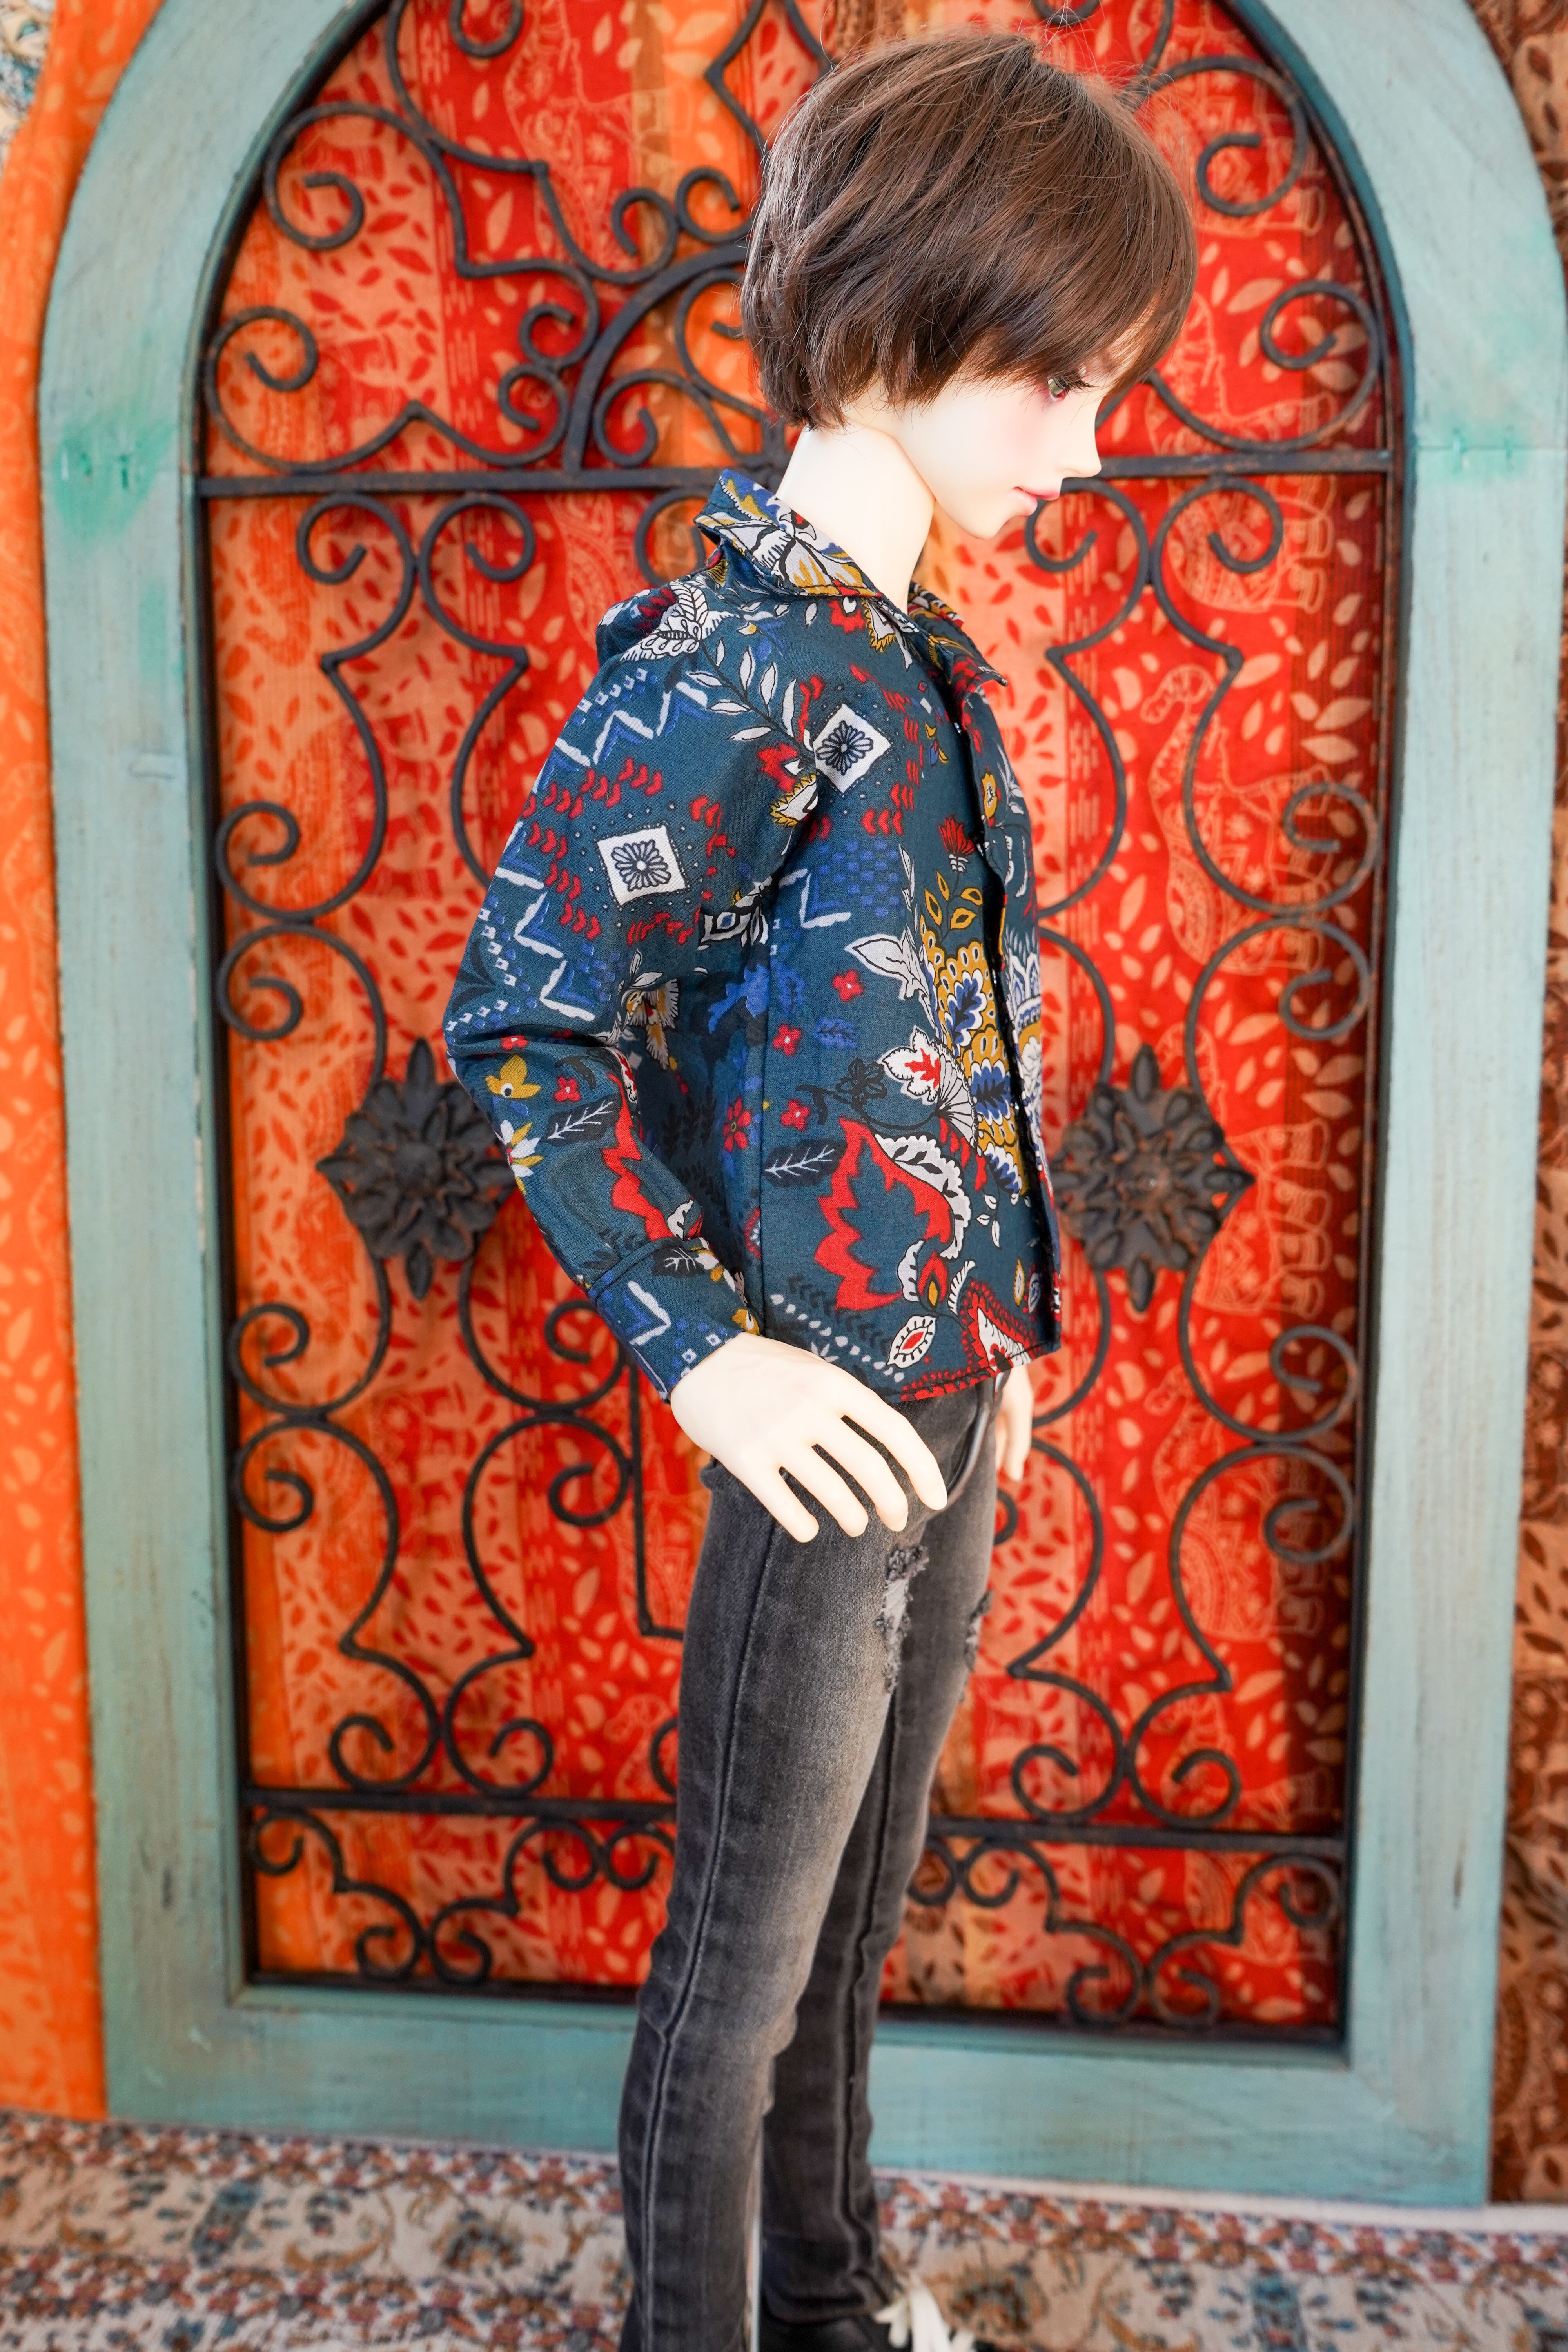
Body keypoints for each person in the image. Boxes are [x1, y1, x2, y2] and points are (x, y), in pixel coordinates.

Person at [444, 28, 1195, 2350]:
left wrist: (1001, 1322)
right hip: (818, 1424)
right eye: (1061, 382)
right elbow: (528, 1017)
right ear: (899, 320)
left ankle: (839, 2304)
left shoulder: (909, 649)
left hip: (945, 1395)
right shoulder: (735, 665)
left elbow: (937, 1034)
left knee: (858, 1926)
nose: (1089, 445)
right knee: (743, 1969)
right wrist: (708, 1359)